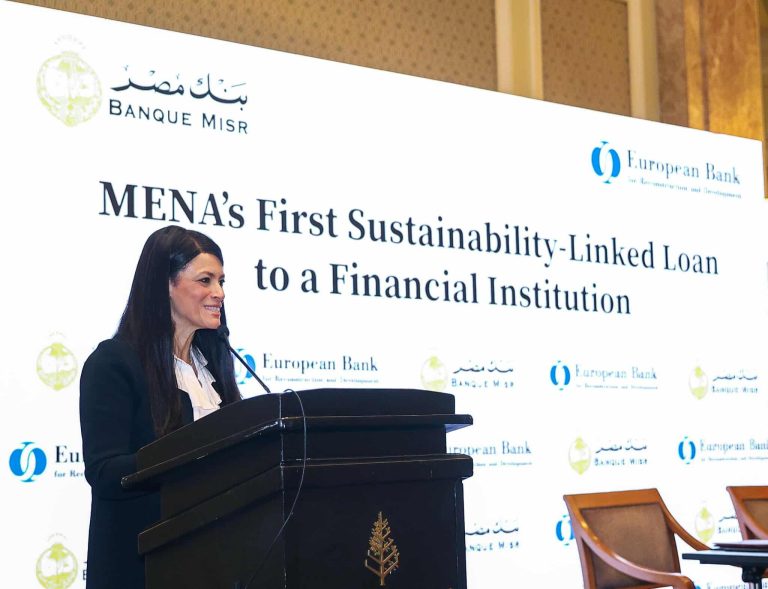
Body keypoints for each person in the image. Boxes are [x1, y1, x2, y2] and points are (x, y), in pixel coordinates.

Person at [79, 226, 242, 589]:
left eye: (221, 281)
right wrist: (193, 453)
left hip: (217, 560)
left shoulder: (213, 368)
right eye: (205, 280)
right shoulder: (114, 363)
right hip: (143, 568)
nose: (219, 292)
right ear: (166, 285)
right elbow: (105, 472)